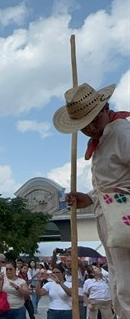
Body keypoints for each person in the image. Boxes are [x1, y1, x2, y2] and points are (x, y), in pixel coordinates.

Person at [53, 82, 130, 319]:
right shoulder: (102, 140)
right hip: (109, 217)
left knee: (127, 284)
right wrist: (89, 198)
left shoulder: (121, 133)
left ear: (106, 108)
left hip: (123, 216)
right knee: (118, 280)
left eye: (94, 120)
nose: (90, 128)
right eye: (84, 126)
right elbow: (109, 183)